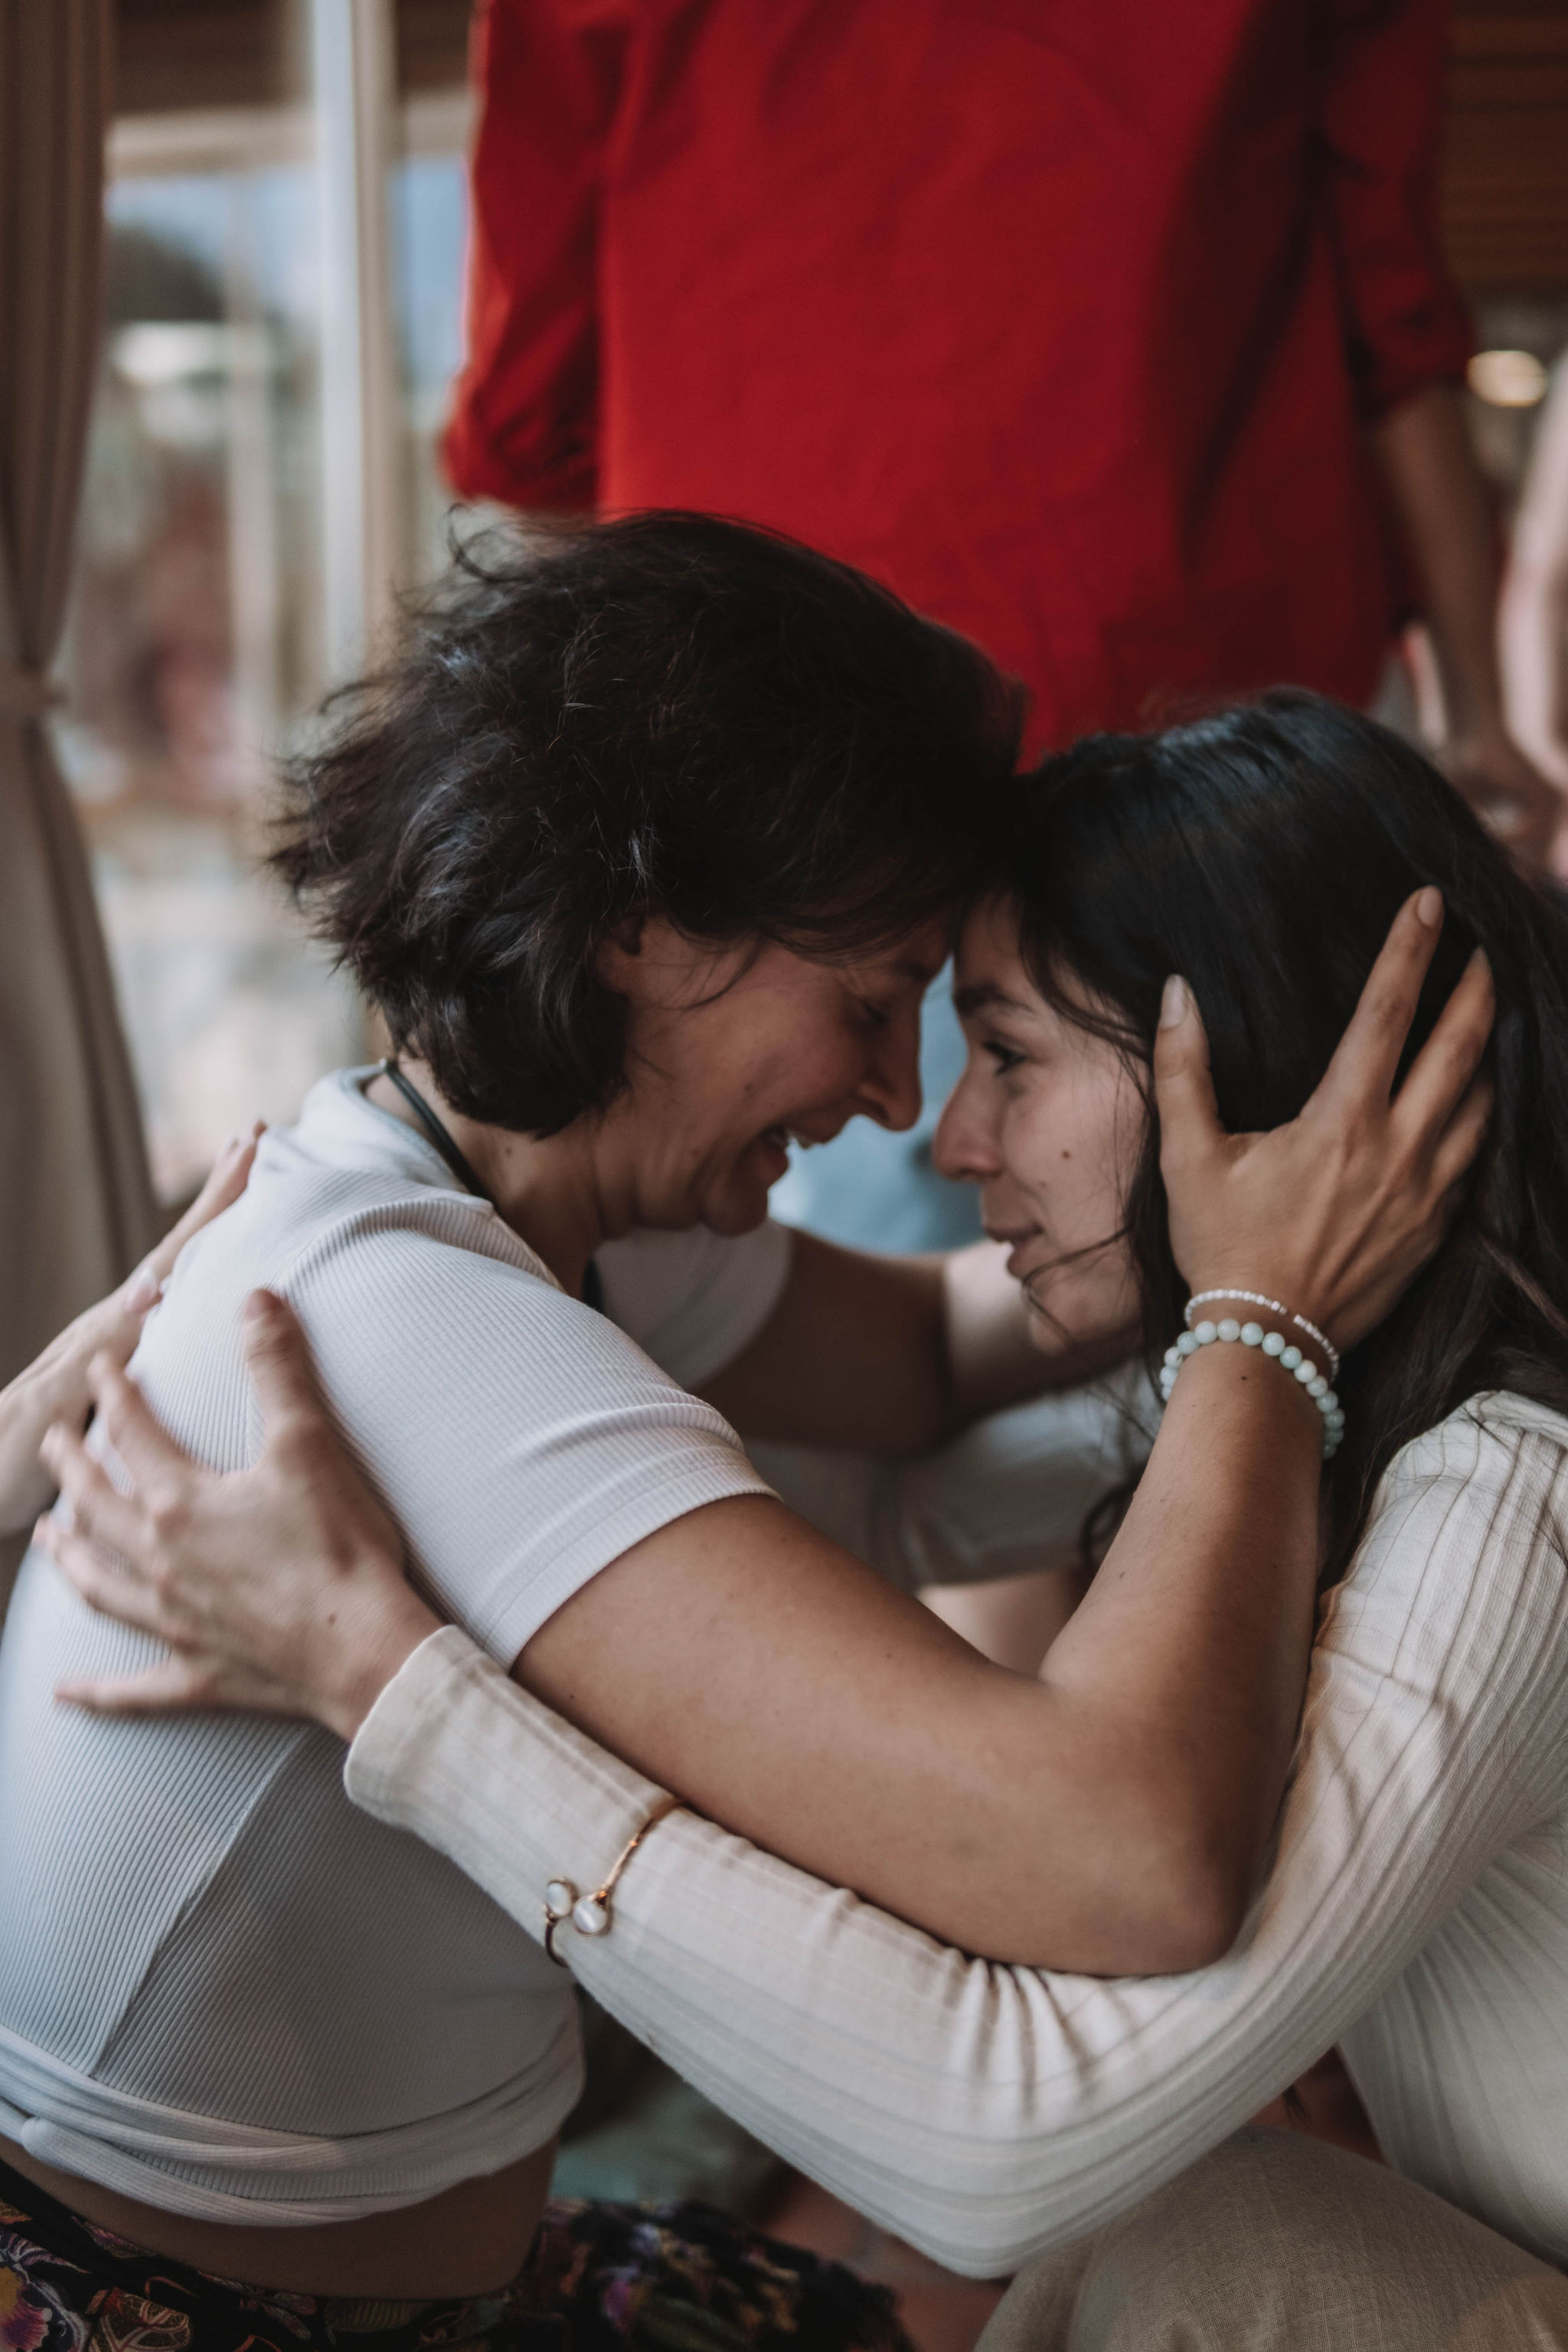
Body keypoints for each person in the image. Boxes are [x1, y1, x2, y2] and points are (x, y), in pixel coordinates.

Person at [0, 509, 1482, 2350]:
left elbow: (938, 1359)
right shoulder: (402, 1324)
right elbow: (1104, 1852)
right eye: (868, 1007)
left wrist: (1259, 1212)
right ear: (636, 926)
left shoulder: (499, 1200)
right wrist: (1266, 1329)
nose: (891, 1102)